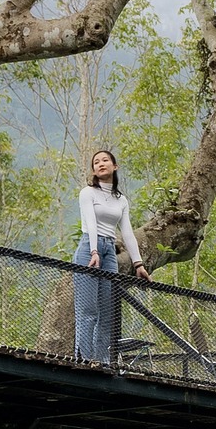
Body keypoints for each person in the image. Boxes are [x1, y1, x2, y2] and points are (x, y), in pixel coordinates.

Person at [74, 149, 151, 362]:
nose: (100, 164)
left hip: (109, 251)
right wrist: (94, 251)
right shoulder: (87, 193)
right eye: (96, 162)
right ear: (93, 170)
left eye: (105, 160)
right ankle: (84, 359)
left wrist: (138, 264)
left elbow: (126, 232)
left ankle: (103, 361)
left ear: (114, 166)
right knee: (88, 309)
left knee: (107, 312)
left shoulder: (121, 199)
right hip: (89, 248)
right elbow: (90, 222)